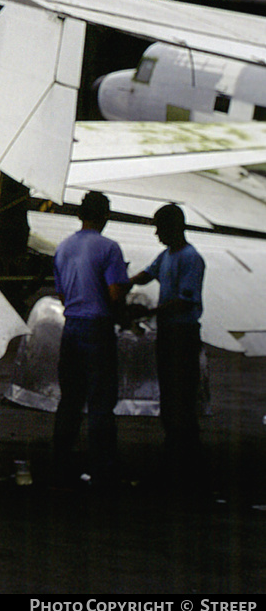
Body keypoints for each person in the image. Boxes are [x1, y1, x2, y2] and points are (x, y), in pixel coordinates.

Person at [52, 191, 130, 487]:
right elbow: (114, 292)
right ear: (105, 216)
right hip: (98, 328)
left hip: (71, 326)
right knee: (100, 402)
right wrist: (124, 311)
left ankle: (60, 464)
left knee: (70, 401)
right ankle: (103, 469)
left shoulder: (63, 248)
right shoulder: (109, 248)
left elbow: (61, 294)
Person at [131, 203, 205, 471]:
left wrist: (149, 311)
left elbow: (185, 302)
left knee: (182, 394)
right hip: (169, 333)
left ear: (174, 227)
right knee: (170, 393)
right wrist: (122, 282)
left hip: (182, 334)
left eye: (160, 228)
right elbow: (146, 275)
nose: (157, 234)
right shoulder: (166, 256)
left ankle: (187, 453)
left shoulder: (190, 258)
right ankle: (175, 447)